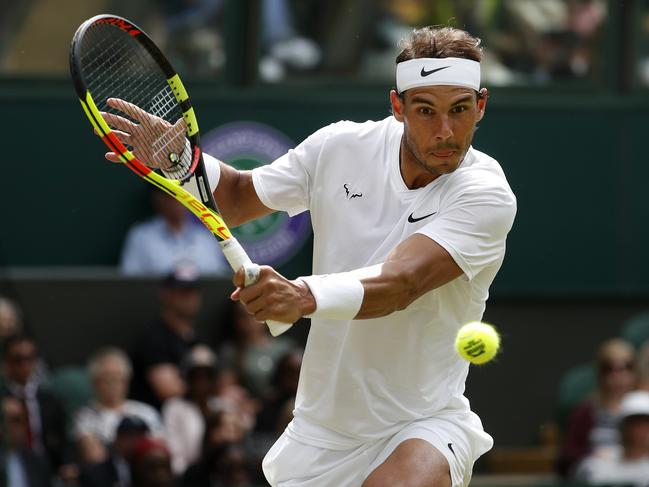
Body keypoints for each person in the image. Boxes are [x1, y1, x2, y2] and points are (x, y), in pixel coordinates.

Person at [104, 25, 517, 487]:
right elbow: (240, 197)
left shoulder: (485, 195)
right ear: (397, 107)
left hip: (423, 424)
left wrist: (301, 296)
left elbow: (402, 283)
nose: (445, 131)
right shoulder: (339, 147)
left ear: (480, 106)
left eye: (459, 110)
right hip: (319, 433)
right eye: (426, 111)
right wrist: (181, 158)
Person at [130, 263, 205, 410]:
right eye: (183, 292)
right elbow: (169, 391)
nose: (189, 297)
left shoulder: (198, 335)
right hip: (161, 420)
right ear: (166, 294)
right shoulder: (153, 337)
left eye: (192, 291)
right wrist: (210, 388)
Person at [558, 338, 637, 476]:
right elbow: (567, 455)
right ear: (600, 373)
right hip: (599, 474)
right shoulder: (586, 410)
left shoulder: (642, 408)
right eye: (610, 369)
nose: (617, 375)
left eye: (625, 367)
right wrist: (593, 454)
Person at [0, 334, 73, 479]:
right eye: (18, 359)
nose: (25, 365)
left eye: (30, 358)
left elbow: (64, 439)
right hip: (11, 469)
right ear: (6, 362)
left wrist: (67, 465)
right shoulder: (2, 398)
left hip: (49, 471)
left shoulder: (51, 400)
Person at [74, 347, 163, 464]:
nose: (113, 384)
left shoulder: (145, 412)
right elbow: (94, 456)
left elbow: (159, 447)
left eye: (118, 377)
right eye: (107, 378)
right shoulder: (85, 416)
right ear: (94, 382)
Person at [120, 188, 229, 276]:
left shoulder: (206, 238)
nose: (177, 201)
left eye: (182, 195)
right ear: (158, 198)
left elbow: (218, 280)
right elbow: (131, 281)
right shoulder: (142, 236)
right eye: (171, 195)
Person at [162, 345, 218, 475]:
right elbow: (174, 455)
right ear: (188, 378)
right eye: (197, 376)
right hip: (188, 476)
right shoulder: (174, 407)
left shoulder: (222, 405)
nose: (202, 382)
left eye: (207, 376)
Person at [575, 390, 649, 486]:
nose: (641, 430)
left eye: (646, 423)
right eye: (634, 423)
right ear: (623, 426)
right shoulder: (599, 464)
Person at [78, 415, 151, 487]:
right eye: (130, 436)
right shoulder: (95, 472)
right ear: (117, 439)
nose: (136, 442)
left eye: (140, 436)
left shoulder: (153, 468)